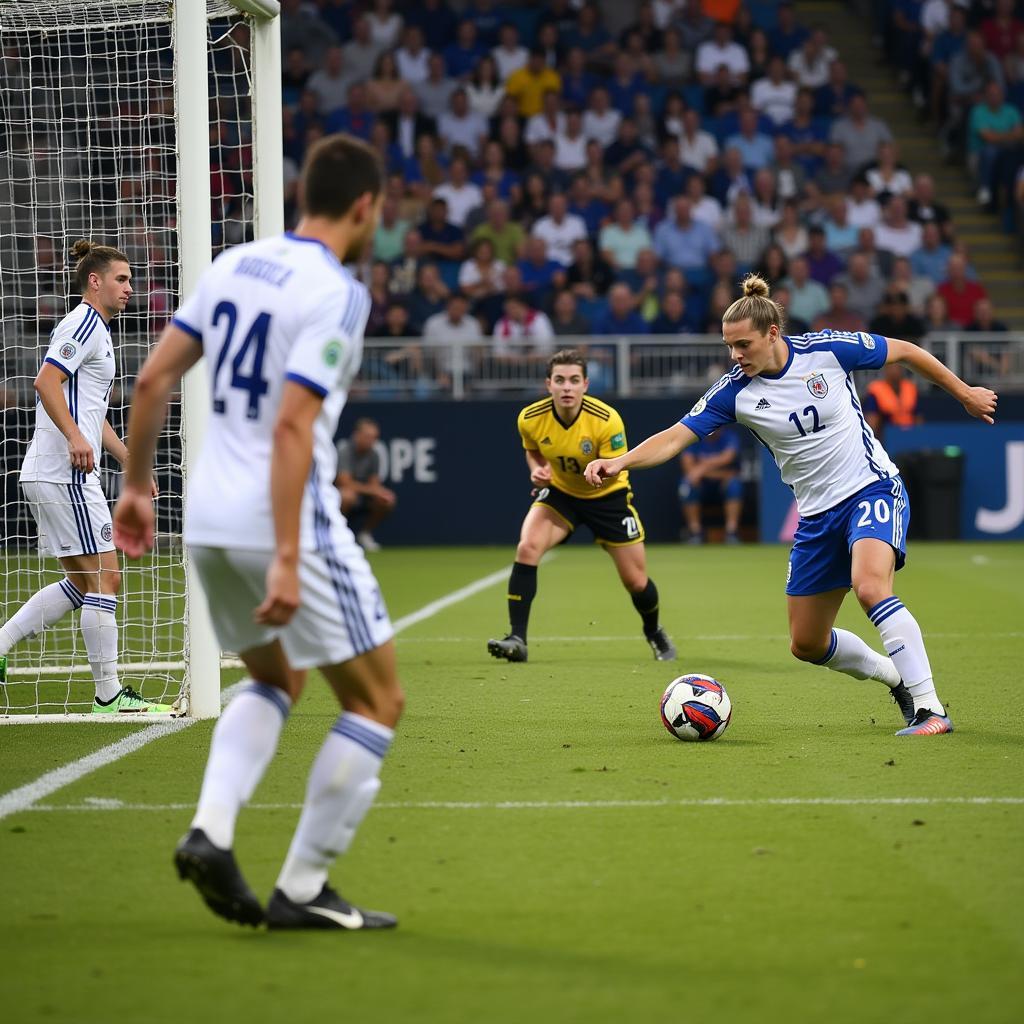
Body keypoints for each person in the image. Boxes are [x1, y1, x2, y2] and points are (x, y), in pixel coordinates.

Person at [112, 134, 404, 929]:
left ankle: (211, 832)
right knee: (378, 702)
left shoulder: (234, 263)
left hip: (204, 517)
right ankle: (304, 889)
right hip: (286, 525)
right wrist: (285, 556)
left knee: (278, 680)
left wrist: (137, 488)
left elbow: (152, 378)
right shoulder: (338, 291)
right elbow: (291, 430)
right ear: (365, 207)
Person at [584, 274, 998, 737]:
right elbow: (675, 437)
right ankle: (896, 676)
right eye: (729, 346)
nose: (735, 356)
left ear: (772, 334)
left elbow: (904, 350)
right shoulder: (734, 391)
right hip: (817, 516)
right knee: (806, 643)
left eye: (743, 344)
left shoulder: (827, 350)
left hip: (871, 488)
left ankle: (930, 708)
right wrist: (619, 461)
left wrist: (964, 393)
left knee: (870, 586)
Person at [0, 241, 168, 713]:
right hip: (64, 472)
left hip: (51, 472)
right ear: (95, 281)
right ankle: (109, 695)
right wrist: (76, 439)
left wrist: (128, 459)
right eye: (122, 278)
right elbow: (45, 382)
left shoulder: (97, 330)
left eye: (131, 280)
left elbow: (91, 414)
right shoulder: (84, 322)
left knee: (82, 584)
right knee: (106, 579)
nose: (130, 288)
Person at [487, 349, 676, 665]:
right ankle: (517, 638)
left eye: (574, 380)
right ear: (548, 384)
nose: (566, 388)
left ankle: (654, 631)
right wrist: (536, 469)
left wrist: (599, 470)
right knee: (527, 547)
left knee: (635, 581)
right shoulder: (530, 419)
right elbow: (533, 452)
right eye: (559, 380)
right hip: (562, 495)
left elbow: (617, 465)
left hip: (609, 500)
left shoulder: (606, 420)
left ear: (585, 384)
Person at [334, 418, 396, 552]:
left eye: (374, 438)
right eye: (367, 437)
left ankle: (365, 534)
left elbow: (374, 484)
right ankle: (338, 535)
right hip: (339, 495)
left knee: (386, 499)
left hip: (362, 496)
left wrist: (379, 493)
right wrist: (372, 490)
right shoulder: (345, 449)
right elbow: (344, 483)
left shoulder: (374, 455)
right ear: (357, 435)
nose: (371, 441)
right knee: (347, 496)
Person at [679, 427, 744, 545]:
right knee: (687, 484)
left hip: (722, 484)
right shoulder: (694, 437)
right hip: (703, 484)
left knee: (734, 484)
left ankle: (731, 532)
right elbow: (689, 469)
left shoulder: (729, 436)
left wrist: (703, 467)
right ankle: (695, 533)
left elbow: (728, 457)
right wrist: (713, 472)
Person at [863, 362, 922, 442]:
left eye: (898, 367)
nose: (895, 371)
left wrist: (920, 437)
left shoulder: (910, 388)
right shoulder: (876, 390)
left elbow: (918, 418)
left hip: (910, 435)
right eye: (891, 367)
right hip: (886, 437)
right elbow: (872, 422)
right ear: (885, 370)